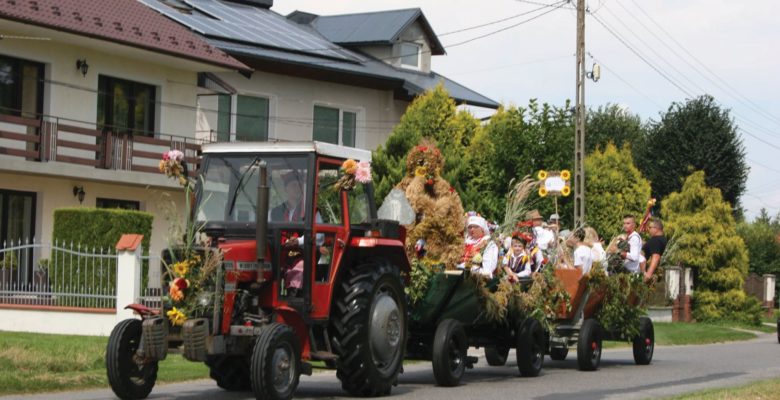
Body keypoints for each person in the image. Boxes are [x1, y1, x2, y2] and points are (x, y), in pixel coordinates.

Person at [642, 217, 667, 282]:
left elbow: (656, 257)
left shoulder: (655, 241)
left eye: (650, 227)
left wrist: (648, 275)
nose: (648, 229)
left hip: (646, 274)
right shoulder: (662, 239)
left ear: (656, 229)